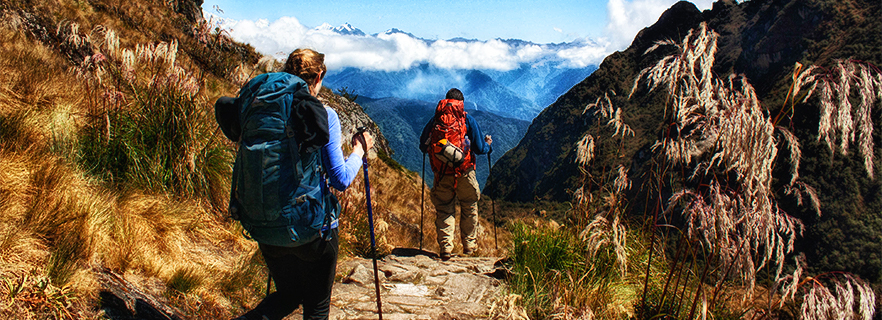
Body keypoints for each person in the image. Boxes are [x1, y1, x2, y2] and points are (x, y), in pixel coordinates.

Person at [233, 48, 374, 320]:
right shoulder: (324, 114)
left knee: (287, 296)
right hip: (311, 230)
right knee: (317, 308)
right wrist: (359, 151)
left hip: (264, 224)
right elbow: (340, 179)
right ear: (319, 75)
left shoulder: (261, 108)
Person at [419, 88, 492, 260]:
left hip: (442, 174)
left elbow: (423, 145)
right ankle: (469, 247)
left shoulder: (436, 120)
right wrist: (489, 145)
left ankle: (446, 249)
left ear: (446, 101)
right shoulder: (467, 119)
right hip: (465, 171)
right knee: (469, 207)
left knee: (444, 209)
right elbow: (480, 148)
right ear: (461, 103)